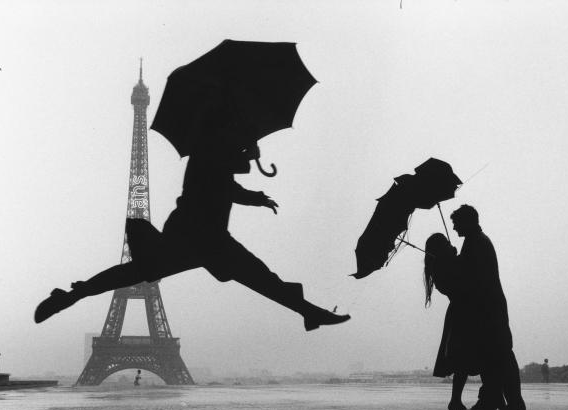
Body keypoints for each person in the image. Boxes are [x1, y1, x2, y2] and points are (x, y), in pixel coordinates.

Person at [34, 124, 350, 332]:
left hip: (192, 237)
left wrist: (255, 195)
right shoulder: (210, 153)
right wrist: (250, 159)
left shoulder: (211, 153)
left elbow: (228, 184)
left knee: (135, 273)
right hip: (203, 238)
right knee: (261, 278)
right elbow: (229, 171)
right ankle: (308, 311)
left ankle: (74, 293)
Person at [450, 205, 526, 410]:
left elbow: (474, 279)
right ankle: (503, 402)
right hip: (491, 309)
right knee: (499, 355)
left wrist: (456, 264)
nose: (454, 228)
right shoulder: (477, 241)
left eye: (456, 223)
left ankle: (495, 402)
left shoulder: (476, 243)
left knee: (493, 356)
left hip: (487, 310)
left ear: (468, 221)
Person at [424, 233, 480, 410]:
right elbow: (462, 283)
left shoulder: (439, 267)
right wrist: (457, 260)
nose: (450, 244)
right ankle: (455, 400)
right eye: (446, 243)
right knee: (462, 359)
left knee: (461, 360)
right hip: (462, 314)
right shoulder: (443, 268)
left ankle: (455, 400)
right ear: (441, 248)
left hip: (460, 312)